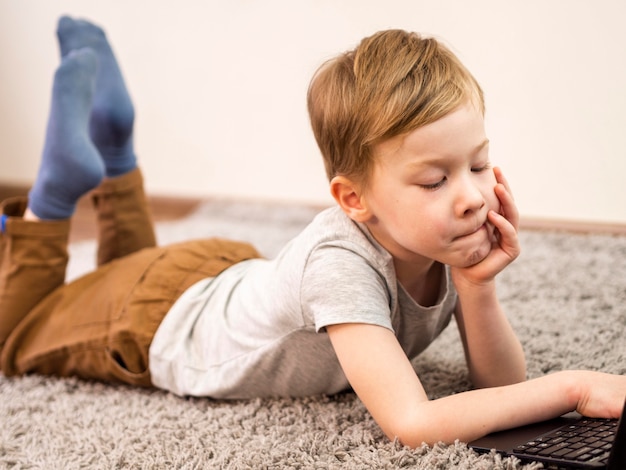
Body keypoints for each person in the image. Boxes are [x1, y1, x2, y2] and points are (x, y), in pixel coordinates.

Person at [0, 16, 624, 449]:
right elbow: (410, 421)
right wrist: (571, 386)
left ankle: (114, 152)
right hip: (151, 324)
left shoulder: (442, 240)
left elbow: (501, 390)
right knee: (17, 336)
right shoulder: (341, 267)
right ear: (354, 199)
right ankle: (54, 199)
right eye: (435, 180)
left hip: (219, 271)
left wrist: (477, 288)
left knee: (117, 272)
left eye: (479, 164)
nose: (470, 197)